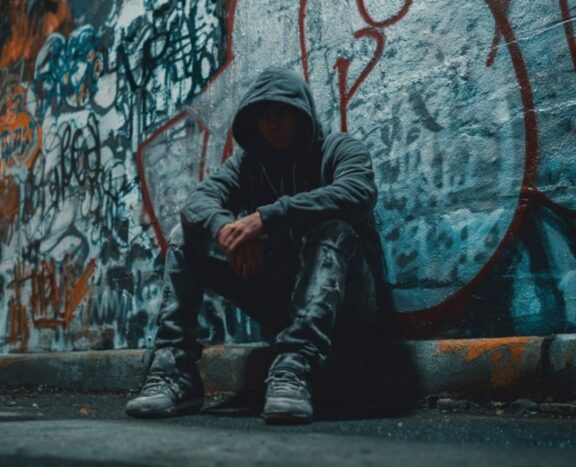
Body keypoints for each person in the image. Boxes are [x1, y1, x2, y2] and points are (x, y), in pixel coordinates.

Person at [125, 66, 391, 424]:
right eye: (263, 116)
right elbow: (198, 203)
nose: (272, 123)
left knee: (334, 228)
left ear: (301, 113)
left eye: (282, 112)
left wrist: (265, 217)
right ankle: (176, 371)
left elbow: (357, 195)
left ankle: (295, 370)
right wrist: (227, 232)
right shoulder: (247, 165)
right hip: (282, 304)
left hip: (351, 309)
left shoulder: (339, 149)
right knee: (184, 236)